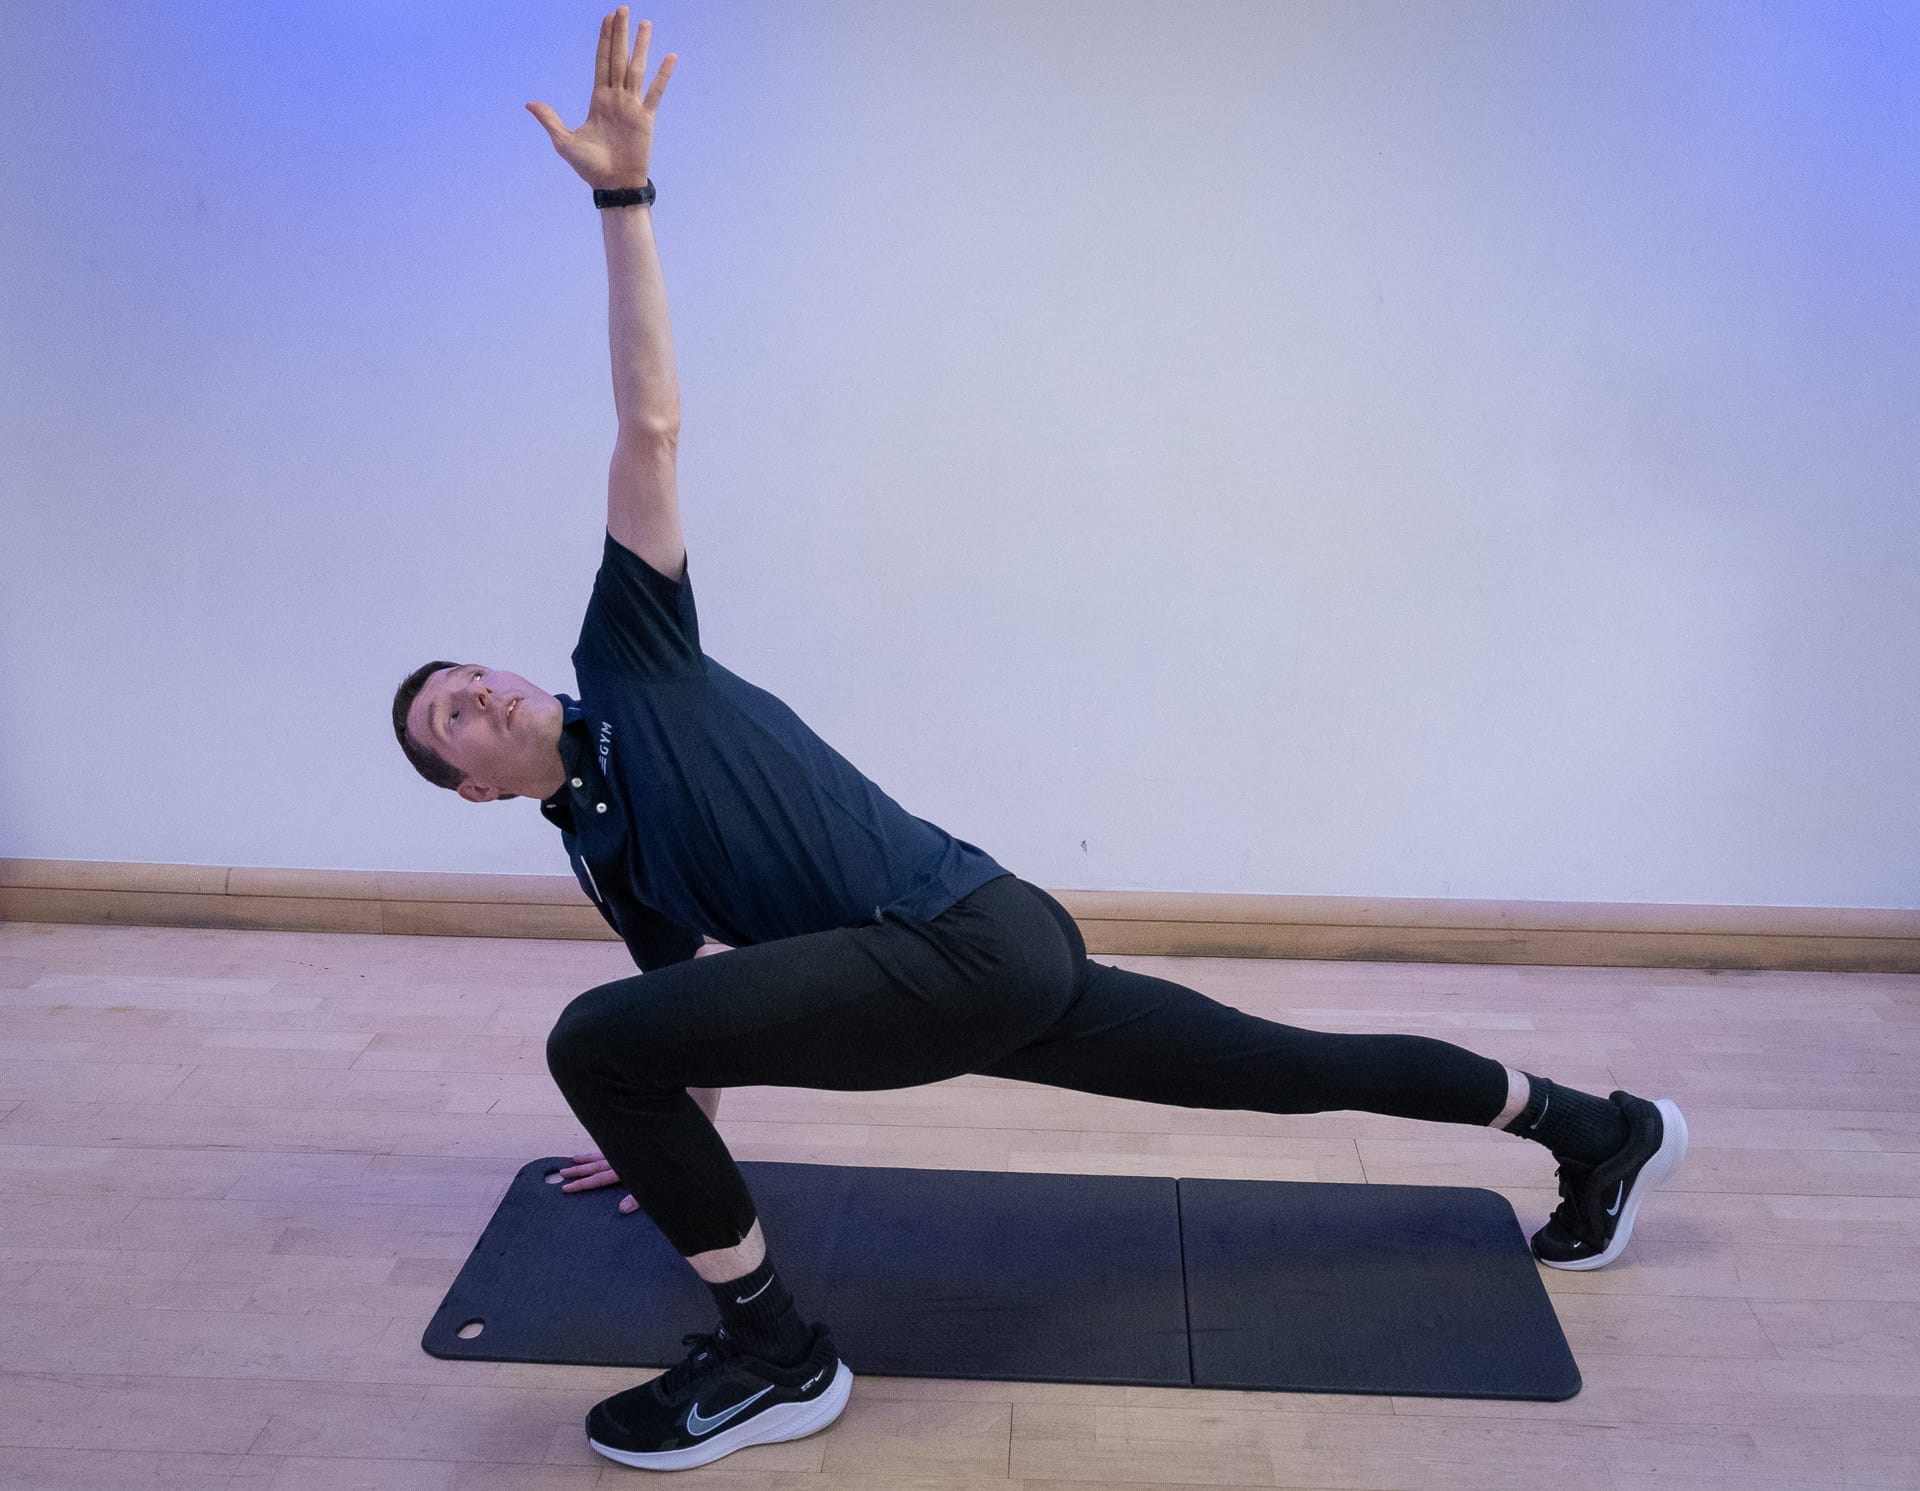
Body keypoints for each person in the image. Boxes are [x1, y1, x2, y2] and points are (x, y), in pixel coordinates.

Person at [390, 8, 1689, 1474]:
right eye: (451, 717)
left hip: (972, 939)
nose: (483, 692)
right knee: (1278, 1065)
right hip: (964, 962)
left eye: (474, 673)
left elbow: (653, 423)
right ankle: (1597, 1125)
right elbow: (685, 1005)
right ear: (473, 785)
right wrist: (649, 1134)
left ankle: (778, 1355)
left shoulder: (628, 657)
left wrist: (621, 200)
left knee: (592, 1041)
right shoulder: (601, 849)